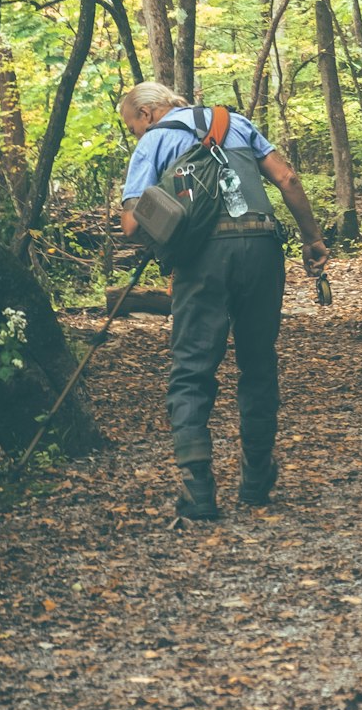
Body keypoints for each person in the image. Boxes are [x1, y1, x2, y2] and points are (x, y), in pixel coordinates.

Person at [118, 82, 330, 523]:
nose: (138, 135)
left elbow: (131, 226)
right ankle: (255, 478)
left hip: (203, 259)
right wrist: (313, 238)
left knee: (192, 370)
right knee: (258, 363)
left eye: (133, 127)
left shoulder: (156, 141)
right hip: (261, 249)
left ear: (149, 114)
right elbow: (287, 178)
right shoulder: (237, 123)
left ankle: (197, 488)